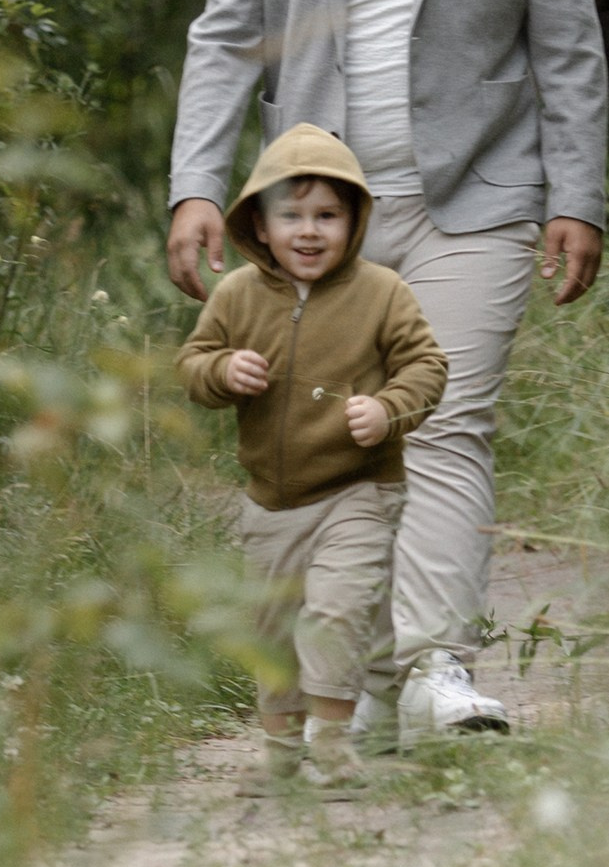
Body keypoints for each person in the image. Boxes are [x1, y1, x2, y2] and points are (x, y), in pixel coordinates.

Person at [168, 0, 609, 745]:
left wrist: (577, 195)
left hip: (478, 196)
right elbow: (225, 41)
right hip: (320, 222)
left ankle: (438, 669)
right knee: (333, 436)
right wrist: (195, 187)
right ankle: (351, 673)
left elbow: (566, 43)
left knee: (446, 419)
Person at [178, 125, 448, 788]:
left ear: (354, 221)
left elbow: (426, 365)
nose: (308, 231)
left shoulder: (380, 292)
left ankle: (331, 742)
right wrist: (221, 370)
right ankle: (281, 752)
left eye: (327, 215)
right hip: (269, 502)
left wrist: (388, 409)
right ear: (258, 226)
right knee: (269, 627)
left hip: (357, 490)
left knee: (335, 608)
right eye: (290, 215)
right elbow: (192, 363)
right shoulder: (236, 295)